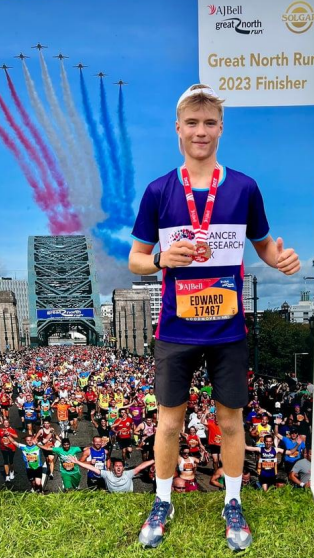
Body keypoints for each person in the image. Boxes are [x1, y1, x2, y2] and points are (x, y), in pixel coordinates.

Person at [129, 83, 300, 551]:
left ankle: (232, 502)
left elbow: (263, 245)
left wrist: (277, 259)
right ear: (178, 129)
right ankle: (162, 500)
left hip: (227, 328)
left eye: (209, 123)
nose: (200, 131)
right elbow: (136, 260)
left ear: (221, 129)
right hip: (175, 328)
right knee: (168, 422)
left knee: (230, 422)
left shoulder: (244, 187)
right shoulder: (159, 190)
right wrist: (163, 259)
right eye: (192, 123)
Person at [68, 455, 154, 493]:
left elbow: (140, 467)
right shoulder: (107, 474)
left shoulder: (128, 473)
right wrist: (77, 462)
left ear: (123, 468)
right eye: (116, 466)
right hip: (113, 498)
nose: (119, 467)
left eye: (120, 466)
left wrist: (154, 460)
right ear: (113, 468)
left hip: (127, 497)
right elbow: (92, 468)